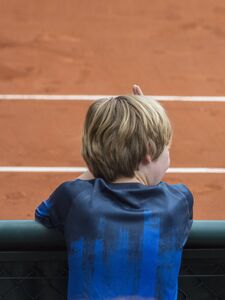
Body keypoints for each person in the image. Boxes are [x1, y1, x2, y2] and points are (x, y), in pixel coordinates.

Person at [35, 85, 193, 300]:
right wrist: (146, 124)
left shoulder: (75, 198)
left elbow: (43, 214)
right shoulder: (178, 201)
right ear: (149, 151)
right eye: (166, 146)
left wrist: (104, 155)